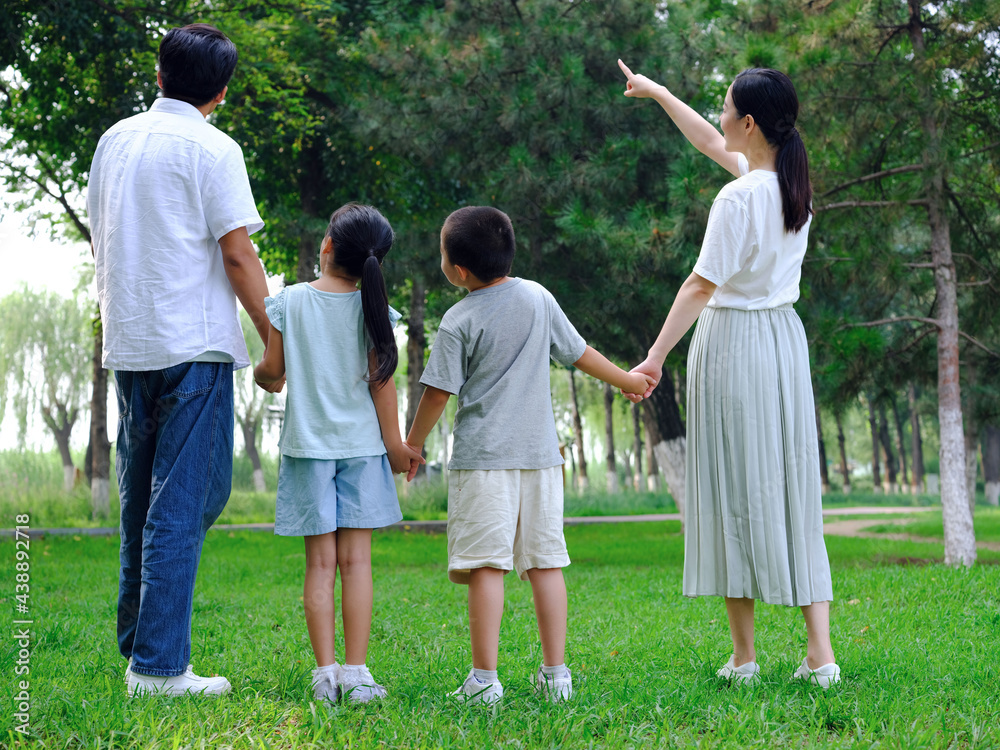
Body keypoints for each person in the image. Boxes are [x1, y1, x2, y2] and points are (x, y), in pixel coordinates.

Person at [617, 59, 840, 687]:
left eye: (724, 103)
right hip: (782, 342)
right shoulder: (791, 184)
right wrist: (660, 94)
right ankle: (820, 656)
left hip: (735, 342)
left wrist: (654, 357)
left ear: (749, 122)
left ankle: (745, 658)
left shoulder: (738, 196)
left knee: (732, 489)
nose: (718, 114)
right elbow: (711, 141)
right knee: (793, 487)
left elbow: (698, 285)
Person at [89, 24, 279, 697]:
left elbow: (102, 235)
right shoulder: (214, 148)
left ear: (161, 74)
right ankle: (159, 667)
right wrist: (270, 336)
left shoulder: (113, 141)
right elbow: (237, 254)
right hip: (193, 345)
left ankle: (140, 646)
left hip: (131, 340)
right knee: (185, 500)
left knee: (143, 501)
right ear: (221, 92)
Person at [403, 206, 654, 704]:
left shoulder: (458, 320)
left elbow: (436, 393)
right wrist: (628, 379)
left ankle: (484, 681)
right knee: (545, 562)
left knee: (487, 567)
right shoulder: (538, 297)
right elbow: (579, 352)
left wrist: (413, 443)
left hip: (483, 461)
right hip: (542, 459)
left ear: (457, 270)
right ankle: (556, 674)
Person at [253, 203, 423, 703]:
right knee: (357, 564)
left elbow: (271, 370)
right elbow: (382, 385)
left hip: (308, 450)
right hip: (364, 451)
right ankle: (357, 673)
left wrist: (264, 377)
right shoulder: (376, 311)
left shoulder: (288, 302)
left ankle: (324, 676)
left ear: (326, 247)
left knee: (320, 567)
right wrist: (397, 445)